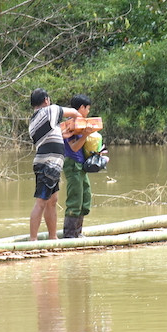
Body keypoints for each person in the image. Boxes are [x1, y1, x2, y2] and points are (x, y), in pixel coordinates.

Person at [28, 88, 80, 241]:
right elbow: (73, 112)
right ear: (46, 100)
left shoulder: (35, 119)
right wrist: (79, 120)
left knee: (52, 201)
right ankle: (33, 240)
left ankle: (53, 237)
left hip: (50, 164)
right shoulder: (50, 110)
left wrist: (67, 132)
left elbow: (55, 134)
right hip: (48, 164)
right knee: (41, 202)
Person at [61, 94, 101, 238]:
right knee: (75, 200)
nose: (88, 112)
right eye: (87, 108)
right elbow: (74, 148)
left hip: (81, 165)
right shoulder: (69, 126)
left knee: (85, 199)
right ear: (82, 108)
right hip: (72, 164)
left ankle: (78, 232)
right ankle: (70, 235)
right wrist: (85, 135)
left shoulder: (83, 124)